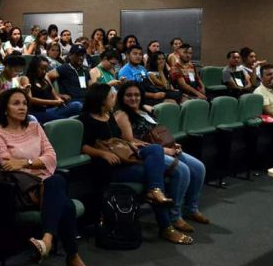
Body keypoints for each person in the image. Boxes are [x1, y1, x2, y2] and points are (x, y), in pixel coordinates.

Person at [0, 88, 100, 266]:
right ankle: (72, 258)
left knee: (56, 183)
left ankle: (46, 241)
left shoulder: (35, 126)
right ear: (4, 108)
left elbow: (52, 157)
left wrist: (25, 163)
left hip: (47, 186)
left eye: (24, 103)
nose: (22, 107)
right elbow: (7, 164)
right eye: (16, 103)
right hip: (27, 191)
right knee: (64, 198)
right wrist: (35, 164)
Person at [79, 83, 191, 244]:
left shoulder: (108, 115)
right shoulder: (85, 119)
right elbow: (84, 146)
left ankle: (155, 190)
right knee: (153, 175)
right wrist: (103, 153)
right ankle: (166, 227)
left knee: (155, 149)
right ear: (101, 99)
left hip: (125, 157)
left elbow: (117, 139)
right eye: (112, 97)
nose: (114, 99)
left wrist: (130, 144)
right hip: (111, 167)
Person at [114, 81, 209, 233]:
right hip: (146, 154)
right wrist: (164, 150)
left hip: (163, 148)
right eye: (129, 95)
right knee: (182, 170)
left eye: (137, 95)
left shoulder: (145, 110)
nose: (133, 98)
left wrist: (172, 144)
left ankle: (191, 208)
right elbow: (130, 141)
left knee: (199, 167)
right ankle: (175, 216)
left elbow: (157, 133)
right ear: (122, 97)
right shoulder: (122, 115)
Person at [26, 56, 82, 123]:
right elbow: (31, 99)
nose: (44, 72)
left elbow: (55, 96)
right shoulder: (26, 79)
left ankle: (62, 119)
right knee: (63, 120)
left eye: (46, 69)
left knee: (77, 105)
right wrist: (53, 102)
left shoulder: (45, 78)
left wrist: (59, 101)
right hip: (38, 111)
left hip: (52, 109)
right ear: (34, 68)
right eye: (41, 69)